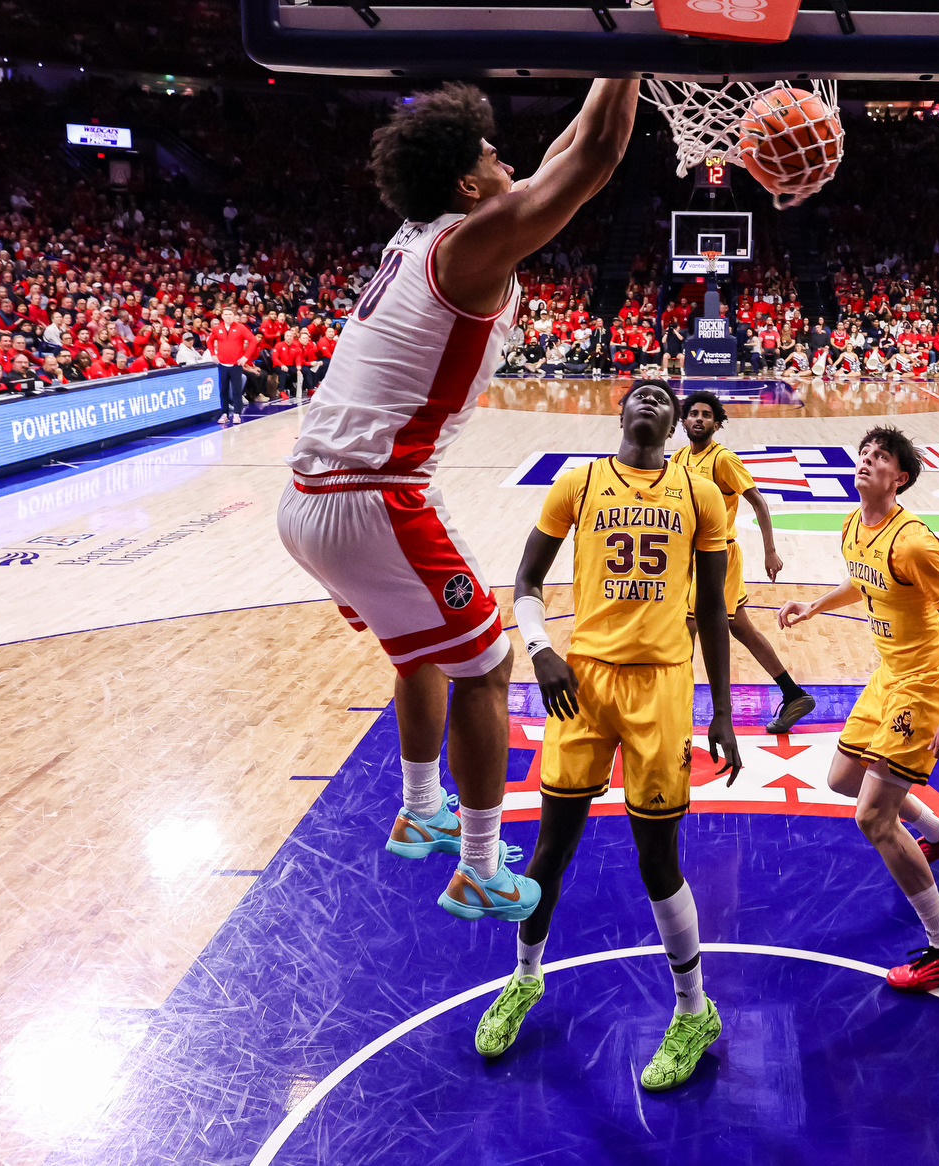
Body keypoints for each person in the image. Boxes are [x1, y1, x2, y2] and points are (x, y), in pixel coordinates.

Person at [278, 80, 641, 929]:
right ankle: (479, 866)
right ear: (471, 189)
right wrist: (633, 55)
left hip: (308, 498)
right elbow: (588, 161)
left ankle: (420, 808)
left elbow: (561, 154)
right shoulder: (467, 248)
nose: (507, 159)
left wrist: (615, 69)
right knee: (484, 664)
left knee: (423, 650)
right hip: (373, 496)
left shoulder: (424, 236)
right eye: (489, 154)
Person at [484, 379, 741, 1090]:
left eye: (666, 394)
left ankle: (694, 1010)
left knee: (658, 860)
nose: (655, 401)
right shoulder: (579, 481)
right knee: (549, 852)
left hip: (661, 684)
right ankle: (525, 979)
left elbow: (714, 612)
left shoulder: (702, 494)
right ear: (621, 413)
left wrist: (721, 709)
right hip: (583, 682)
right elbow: (527, 579)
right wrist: (539, 649)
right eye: (643, 394)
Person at [777, 427, 939, 991]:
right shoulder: (852, 525)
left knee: (872, 816)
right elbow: (863, 581)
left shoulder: (914, 542)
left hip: (927, 681)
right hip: (889, 674)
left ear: (902, 479)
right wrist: (815, 605)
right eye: (864, 454)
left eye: (882, 459)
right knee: (843, 778)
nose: (868, 462)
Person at [672, 390, 818, 733]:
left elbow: (758, 502)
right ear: (683, 421)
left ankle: (678, 707)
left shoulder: (723, 459)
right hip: (690, 558)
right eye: (693, 413)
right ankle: (794, 694)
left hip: (718, 557)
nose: (699, 419)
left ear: (717, 424)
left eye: (707, 415)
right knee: (740, 628)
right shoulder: (678, 458)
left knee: (688, 627)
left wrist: (769, 550)